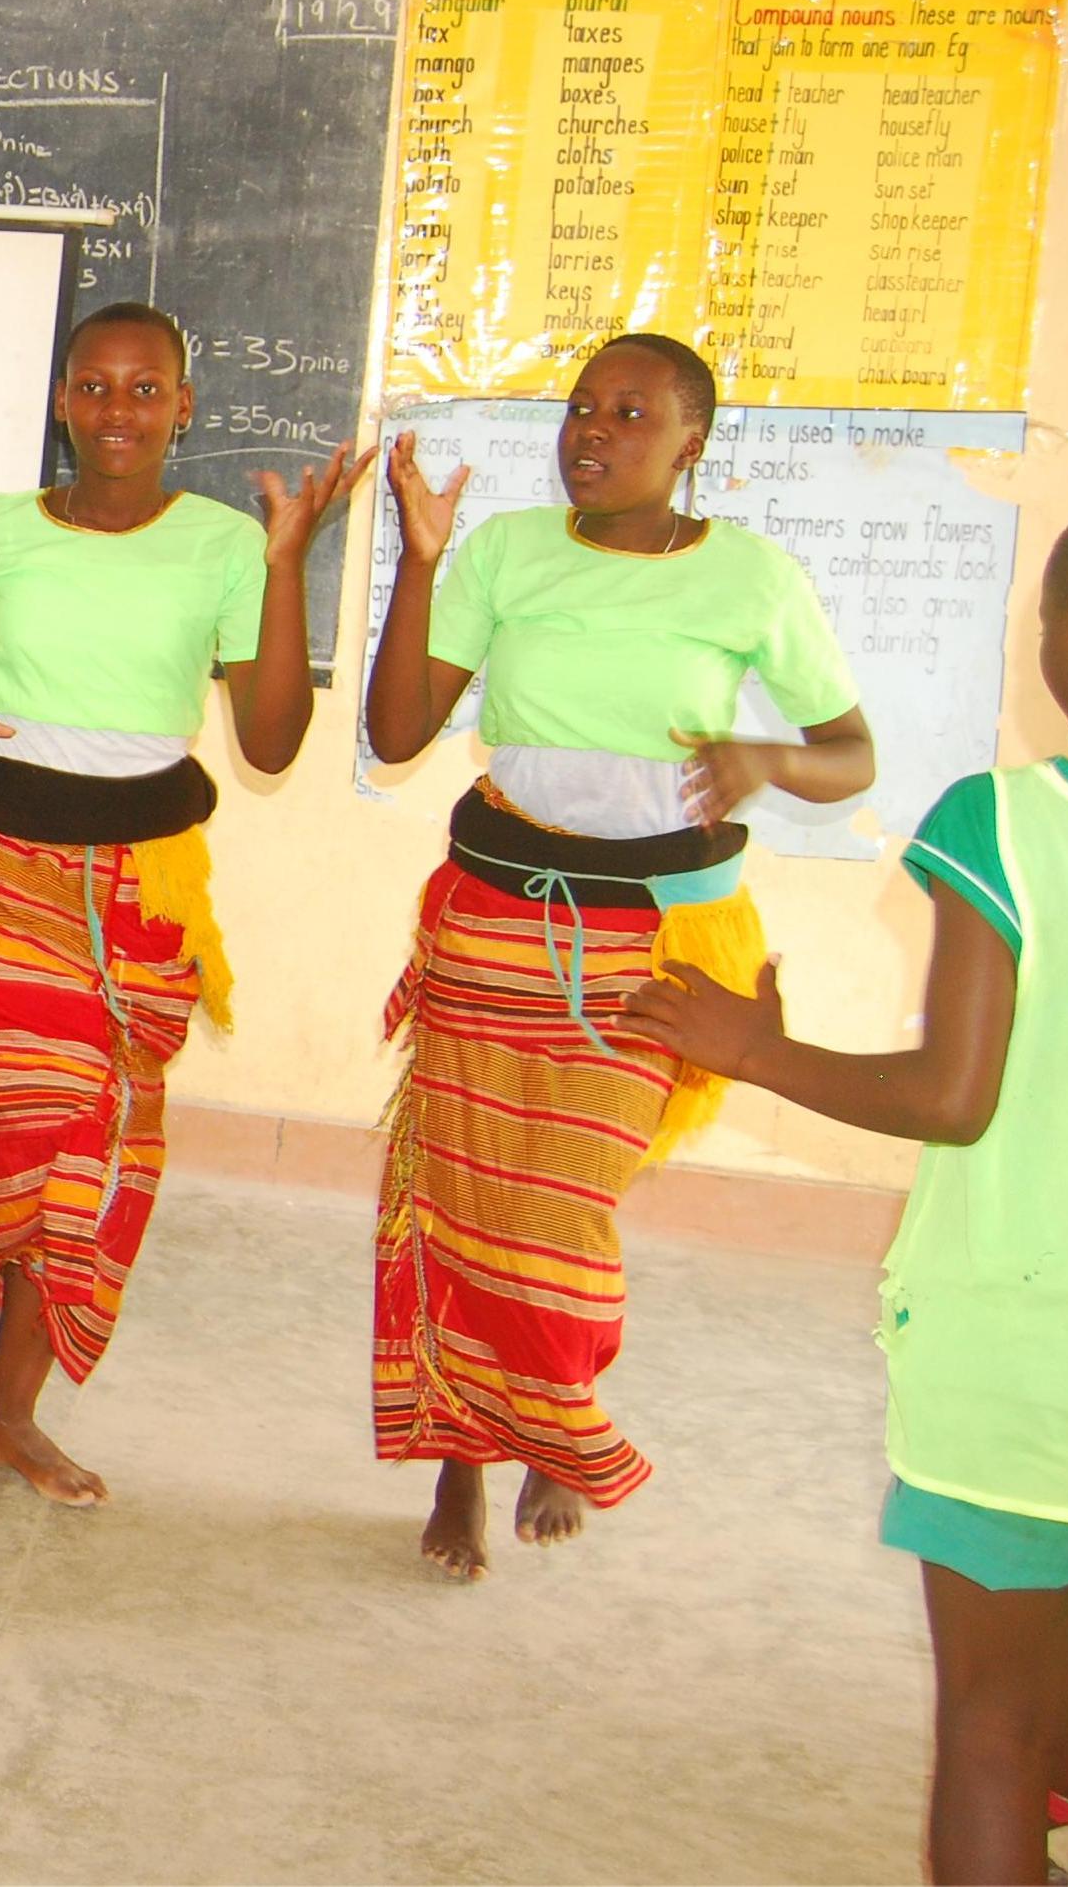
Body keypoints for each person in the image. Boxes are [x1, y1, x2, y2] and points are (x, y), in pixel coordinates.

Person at [623, 477, 1068, 1886]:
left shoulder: (1003, 820)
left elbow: (949, 1096)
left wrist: (754, 1046)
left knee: (991, 1721)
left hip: (1017, 1370)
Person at [360, 330, 873, 1576]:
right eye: (582, 406)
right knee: (464, 1197)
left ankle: (554, 1418)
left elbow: (850, 753)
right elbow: (395, 730)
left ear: (692, 441)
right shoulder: (505, 550)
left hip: (650, 941)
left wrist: (765, 758)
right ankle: (463, 1464)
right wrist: (420, 563)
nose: (590, 429)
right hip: (491, 922)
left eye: (630, 413)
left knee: (561, 1205)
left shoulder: (751, 576)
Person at [0, 303, 367, 1506]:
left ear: (183, 406)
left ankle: (14, 1415)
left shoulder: (225, 546)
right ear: (61, 401)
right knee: (30, 1124)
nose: (117, 411)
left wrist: (287, 562)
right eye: (93, 386)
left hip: (142, 886)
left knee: (98, 1153)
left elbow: (270, 741)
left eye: (145, 389)